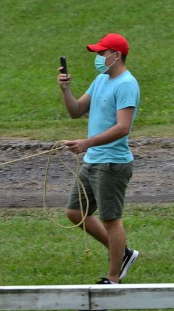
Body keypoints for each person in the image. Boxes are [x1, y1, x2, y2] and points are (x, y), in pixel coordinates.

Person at [57, 33, 140, 284]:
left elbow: (122, 128)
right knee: (75, 212)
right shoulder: (101, 79)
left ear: (116, 55)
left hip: (112, 163)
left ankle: (113, 278)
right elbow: (76, 111)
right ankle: (123, 253)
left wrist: (86, 143)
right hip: (93, 160)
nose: (98, 57)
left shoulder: (127, 84)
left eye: (102, 53)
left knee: (111, 219)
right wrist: (65, 89)